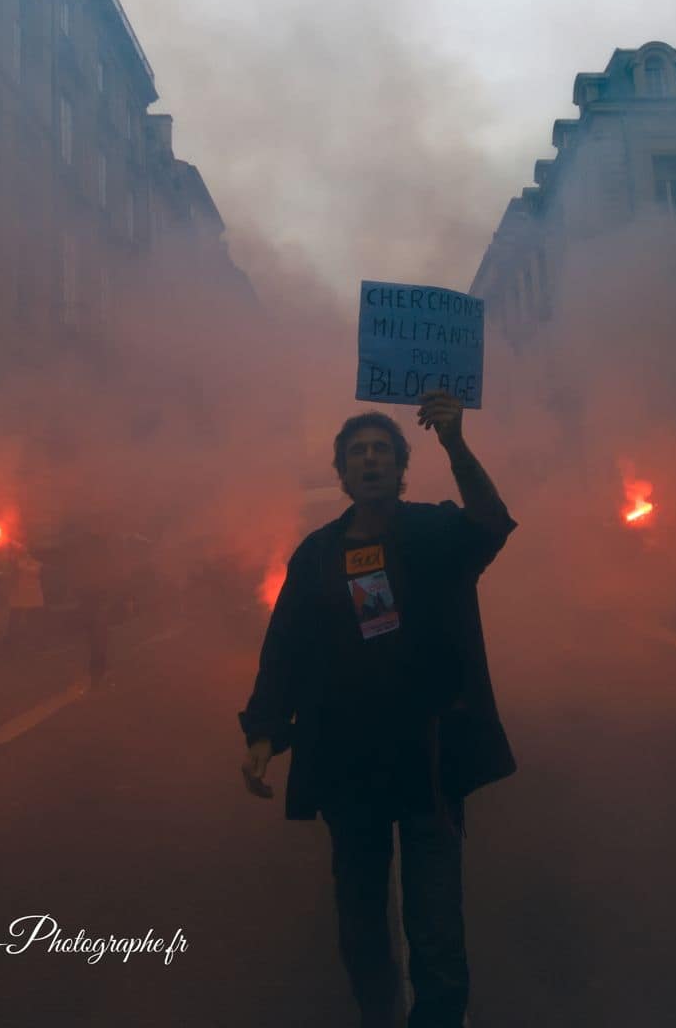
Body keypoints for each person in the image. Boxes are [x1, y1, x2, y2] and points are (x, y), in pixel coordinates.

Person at [239, 390, 517, 1028]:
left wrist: (456, 442)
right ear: (342, 472)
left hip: (429, 765)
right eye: (357, 452)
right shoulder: (316, 556)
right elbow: (284, 649)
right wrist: (263, 732)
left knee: (437, 931)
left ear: (400, 467)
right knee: (362, 926)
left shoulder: (435, 531)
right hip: (348, 769)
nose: (370, 459)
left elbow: (491, 522)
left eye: (382, 450)